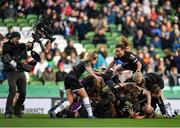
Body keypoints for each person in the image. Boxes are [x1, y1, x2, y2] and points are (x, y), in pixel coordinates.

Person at [48, 51, 102, 118]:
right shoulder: (86, 63)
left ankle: (54, 112)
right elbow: (89, 70)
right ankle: (90, 115)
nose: (97, 61)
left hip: (67, 79)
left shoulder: (83, 62)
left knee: (70, 101)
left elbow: (90, 70)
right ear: (92, 59)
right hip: (73, 79)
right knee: (85, 96)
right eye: (96, 59)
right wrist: (96, 77)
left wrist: (97, 73)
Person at [2, 32, 33, 118]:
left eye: (18, 38)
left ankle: (17, 110)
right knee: (12, 91)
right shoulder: (6, 45)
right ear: (11, 38)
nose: (17, 40)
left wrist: (30, 45)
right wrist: (24, 45)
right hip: (11, 72)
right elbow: (9, 50)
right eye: (16, 38)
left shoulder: (20, 46)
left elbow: (25, 56)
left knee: (23, 93)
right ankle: (8, 112)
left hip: (20, 71)